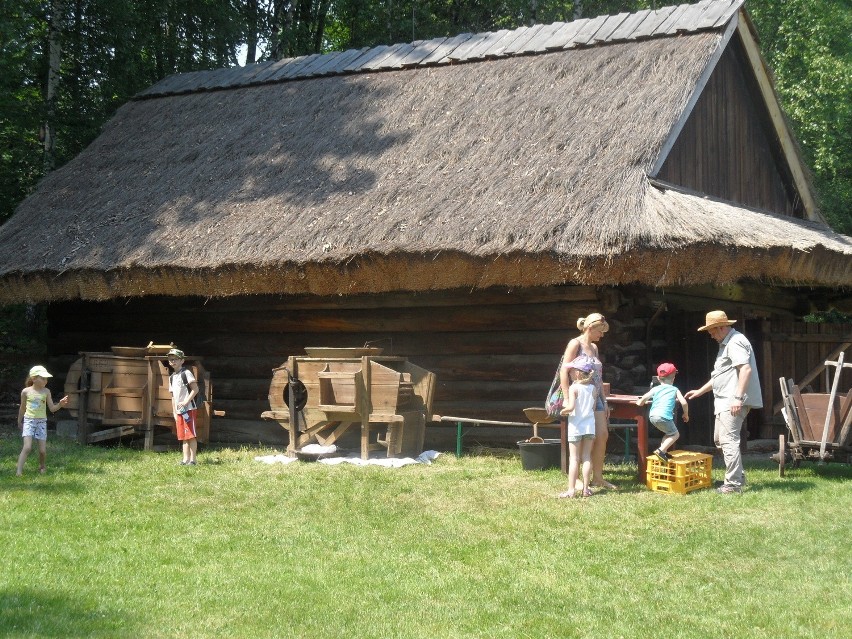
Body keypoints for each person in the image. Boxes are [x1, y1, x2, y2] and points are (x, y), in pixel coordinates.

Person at [685, 311, 762, 494]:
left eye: (711, 331)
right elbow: (721, 376)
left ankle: (734, 484)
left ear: (721, 327)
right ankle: (738, 477)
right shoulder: (725, 344)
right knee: (720, 439)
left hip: (732, 400)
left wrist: (738, 398)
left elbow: (745, 370)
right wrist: (700, 391)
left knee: (728, 440)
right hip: (725, 400)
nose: (710, 335)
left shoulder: (735, 342)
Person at [560, 312, 617, 489]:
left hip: (595, 397)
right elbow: (564, 370)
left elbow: (598, 377)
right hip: (578, 397)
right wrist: (568, 398)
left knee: (601, 435)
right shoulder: (575, 343)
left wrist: (604, 401)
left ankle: (597, 477)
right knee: (580, 438)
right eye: (600, 331)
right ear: (591, 328)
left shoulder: (594, 348)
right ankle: (575, 480)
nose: (602, 335)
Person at [16, 365, 69, 476]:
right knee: (27, 447)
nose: (46, 380)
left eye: (46, 378)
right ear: (34, 378)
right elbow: (22, 407)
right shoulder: (26, 392)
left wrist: (60, 404)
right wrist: (19, 421)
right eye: (43, 378)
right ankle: (19, 472)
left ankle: (42, 466)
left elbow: (52, 408)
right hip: (29, 421)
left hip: (41, 422)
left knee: (42, 451)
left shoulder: (46, 392)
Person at [558, 359, 598, 498]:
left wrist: (562, 411)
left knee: (574, 459)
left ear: (578, 374)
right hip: (589, 427)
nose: (570, 372)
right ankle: (586, 489)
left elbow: (570, 408)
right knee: (586, 457)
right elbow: (592, 408)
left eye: (572, 370)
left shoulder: (574, 388)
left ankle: (571, 491)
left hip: (576, 427)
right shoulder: (593, 388)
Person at [635, 362, 689, 462]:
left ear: (659, 379)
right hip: (664, 417)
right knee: (675, 434)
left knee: (668, 433)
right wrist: (685, 414)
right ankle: (661, 450)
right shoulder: (674, 389)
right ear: (673, 378)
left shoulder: (655, 389)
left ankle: (663, 452)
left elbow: (644, 398)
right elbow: (684, 403)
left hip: (652, 416)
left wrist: (640, 403)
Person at [167, 348, 200, 466]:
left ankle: (193, 460)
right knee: (183, 436)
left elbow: (195, 389)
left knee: (190, 434)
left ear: (182, 361)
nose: (172, 362)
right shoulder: (171, 377)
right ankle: (185, 459)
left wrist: (186, 402)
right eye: (170, 360)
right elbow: (173, 397)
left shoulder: (186, 373)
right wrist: (174, 412)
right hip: (179, 411)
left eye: (175, 359)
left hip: (189, 409)